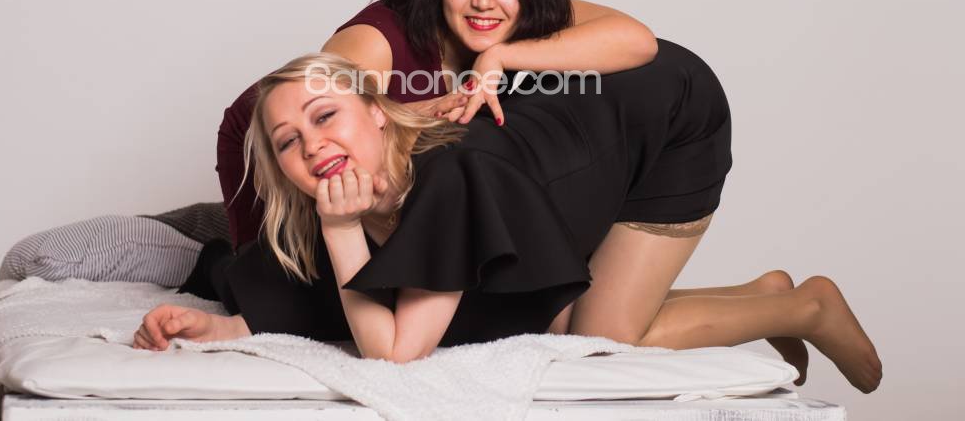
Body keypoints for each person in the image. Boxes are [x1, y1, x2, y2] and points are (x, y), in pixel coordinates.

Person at [136, 53, 882, 394]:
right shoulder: (327, 203)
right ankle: (762, 291)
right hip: (561, 149)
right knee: (545, 316)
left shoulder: (449, 179)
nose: (312, 144)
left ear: (375, 110)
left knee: (600, 333)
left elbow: (393, 355)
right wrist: (219, 328)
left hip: (662, 117)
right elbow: (304, 296)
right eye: (288, 141)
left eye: (325, 116)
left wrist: (342, 233)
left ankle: (803, 306)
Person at [217, 0, 658, 248]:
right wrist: (430, 109)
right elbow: (326, 130)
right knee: (280, 287)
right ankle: (206, 242)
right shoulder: (374, 44)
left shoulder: (519, 13)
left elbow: (638, 40)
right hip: (264, 145)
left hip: (384, 195)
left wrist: (499, 58)